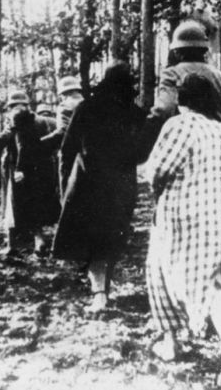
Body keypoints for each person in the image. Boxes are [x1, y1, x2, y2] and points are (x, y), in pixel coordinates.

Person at [146, 73, 221, 388]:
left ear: (182, 99)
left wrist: (156, 191)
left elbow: (157, 170)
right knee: (217, 281)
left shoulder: (180, 125)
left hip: (184, 213)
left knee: (161, 269)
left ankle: (171, 341)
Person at [52, 62, 146, 312]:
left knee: (93, 240)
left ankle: (99, 293)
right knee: (112, 237)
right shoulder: (135, 113)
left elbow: (67, 149)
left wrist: (64, 186)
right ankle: (103, 290)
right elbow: (142, 152)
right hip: (121, 186)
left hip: (88, 183)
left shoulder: (86, 108)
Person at [150, 20, 221, 145]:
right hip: (220, 145)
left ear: (177, 52)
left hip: (184, 144)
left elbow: (164, 110)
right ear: (204, 50)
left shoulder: (171, 74)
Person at [0, 91, 59, 258]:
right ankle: (39, 242)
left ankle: (11, 245)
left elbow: (20, 147)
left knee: (13, 206)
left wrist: (19, 168)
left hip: (19, 169)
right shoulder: (43, 120)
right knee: (35, 206)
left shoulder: (16, 120)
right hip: (41, 169)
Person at [41, 75, 85, 197]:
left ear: (63, 93)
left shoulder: (65, 106)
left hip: (72, 157)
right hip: (92, 157)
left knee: (68, 195)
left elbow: (62, 133)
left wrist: (39, 143)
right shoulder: (91, 104)